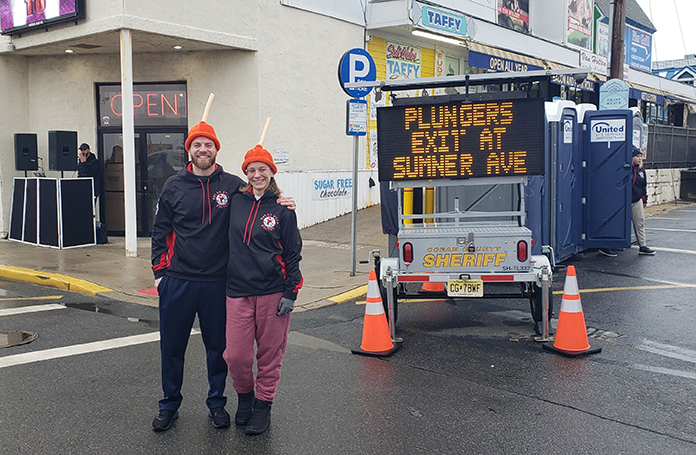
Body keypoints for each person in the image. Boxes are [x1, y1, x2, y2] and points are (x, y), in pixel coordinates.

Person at [150, 122, 295, 432]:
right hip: (178, 279)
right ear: (188, 150)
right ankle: (169, 404)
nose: (203, 150)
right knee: (172, 347)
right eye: (197, 145)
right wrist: (160, 273)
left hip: (219, 283)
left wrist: (284, 201)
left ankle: (217, 404)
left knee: (220, 350)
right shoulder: (173, 186)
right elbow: (160, 232)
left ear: (217, 149)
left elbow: (262, 197)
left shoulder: (231, 186)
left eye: (209, 145)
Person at [223, 144, 303, 436]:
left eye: (263, 169)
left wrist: (290, 293)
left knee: (270, 354)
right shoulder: (235, 201)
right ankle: (244, 397)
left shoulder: (282, 209)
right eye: (252, 170)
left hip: (272, 292)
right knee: (236, 355)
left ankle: (263, 405)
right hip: (237, 291)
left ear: (272, 172)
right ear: (246, 174)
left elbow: (293, 253)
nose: (257, 175)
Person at [631, 148, 656, 255]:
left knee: (639, 222)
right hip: (624, 199)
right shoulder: (626, 168)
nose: (639, 158)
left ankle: (642, 245)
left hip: (636, 199)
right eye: (637, 156)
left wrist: (644, 198)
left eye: (641, 156)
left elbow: (643, 184)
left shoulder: (641, 170)